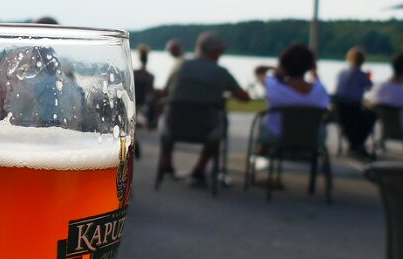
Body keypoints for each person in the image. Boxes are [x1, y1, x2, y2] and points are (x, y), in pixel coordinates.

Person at [157, 32, 250, 187]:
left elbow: (165, 93)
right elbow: (244, 97)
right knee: (220, 126)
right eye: (221, 50)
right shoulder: (222, 72)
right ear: (215, 51)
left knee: (169, 115)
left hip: (174, 127)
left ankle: (167, 164)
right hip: (206, 130)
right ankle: (198, 171)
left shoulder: (180, 65)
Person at [260, 44, 330, 141]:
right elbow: (319, 84)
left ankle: (262, 148)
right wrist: (314, 73)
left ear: (283, 65)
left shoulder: (274, 87)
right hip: (311, 139)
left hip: (279, 137)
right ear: (311, 66)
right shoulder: (320, 90)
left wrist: (278, 70)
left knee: (265, 125)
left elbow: (259, 71)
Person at [333, 46, 377, 159]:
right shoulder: (361, 74)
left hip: (338, 107)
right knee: (371, 116)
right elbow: (370, 87)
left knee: (363, 117)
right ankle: (357, 145)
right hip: (352, 108)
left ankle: (355, 144)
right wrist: (368, 77)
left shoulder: (342, 72)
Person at [133, 44, 156, 127]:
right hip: (144, 102)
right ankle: (151, 123)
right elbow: (151, 92)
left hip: (135, 101)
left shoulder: (134, 74)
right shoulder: (150, 76)